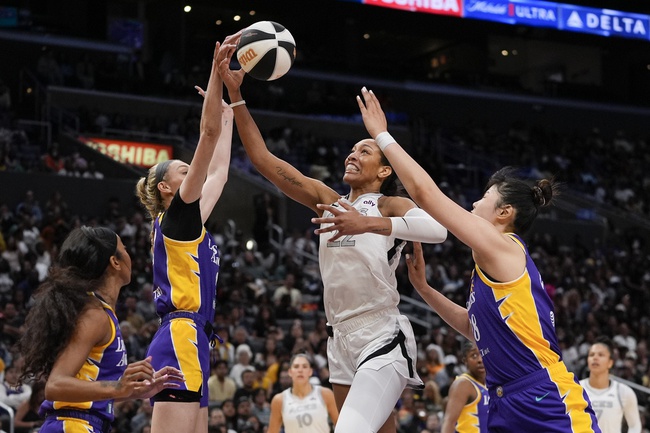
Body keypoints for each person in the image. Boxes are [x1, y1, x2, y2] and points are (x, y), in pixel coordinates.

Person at [320, 87, 600, 432]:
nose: (473, 204)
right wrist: (423, 289)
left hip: (543, 395)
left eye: (484, 197)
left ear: (504, 212)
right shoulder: (488, 268)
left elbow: (426, 195)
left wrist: (382, 134)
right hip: (504, 400)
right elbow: (474, 328)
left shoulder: (504, 246)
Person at [219, 36, 447, 433]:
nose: (352, 155)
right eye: (352, 150)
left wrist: (369, 223)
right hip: (339, 337)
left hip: (381, 332)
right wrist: (237, 97)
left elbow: (438, 229)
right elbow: (263, 161)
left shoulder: (389, 205)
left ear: (384, 170)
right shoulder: (327, 200)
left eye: (364, 151)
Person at [134, 37, 236, 433]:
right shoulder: (176, 220)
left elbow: (220, 172)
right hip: (180, 334)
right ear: (165, 187)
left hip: (197, 340)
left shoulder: (189, 223)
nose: (188, 170)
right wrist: (216, 72)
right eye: (180, 168)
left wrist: (228, 118)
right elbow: (206, 138)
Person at [15, 226, 183, 433]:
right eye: (125, 248)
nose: (130, 255)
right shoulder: (95, 315)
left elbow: (92, 388)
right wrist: (118, 387)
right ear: (115, 262)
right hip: (72, 425)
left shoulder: (102, 313)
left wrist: (136, 391)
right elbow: (55, 386)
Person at [579, 337, 641, 433]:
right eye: (591, 355)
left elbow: (635, 426)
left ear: (610, 362)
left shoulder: (623, 392)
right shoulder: (576, 388)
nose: (595, 358)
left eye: (601, 355)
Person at [267, 354, 338, 433]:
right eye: (296, 367)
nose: (300, 370)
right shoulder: (279, 400)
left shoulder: (325, 394)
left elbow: (340, 425)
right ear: (290, 372)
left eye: (304, 366)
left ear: (310, 371)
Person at [441, 341, 488, 433]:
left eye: (482, 354)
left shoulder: (491, 383)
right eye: (474, 356)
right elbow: (449, 422)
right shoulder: (463, 384)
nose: (480, 360)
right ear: (465, 360)